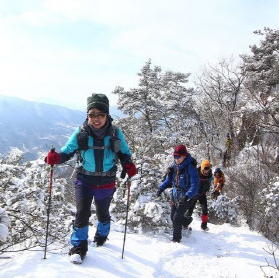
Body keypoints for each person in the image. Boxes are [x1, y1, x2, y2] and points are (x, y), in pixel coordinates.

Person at [45, 93, 136, 262]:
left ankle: (101, 236)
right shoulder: (81, 133)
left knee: (102, 213)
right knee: (82, 213)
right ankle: (79, 247)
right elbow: (66, 151)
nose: (96, 119)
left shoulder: (115, 133)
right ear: (87, 115)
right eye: (92, 115)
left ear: (107, 115)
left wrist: (128, 164)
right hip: (84, 179)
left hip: (107, 181)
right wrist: (56, 158)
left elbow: (124, 153)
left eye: (100, 115)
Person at [156, 144, 199, 243]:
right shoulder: (173, 167)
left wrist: (187, 195)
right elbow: (168, 181)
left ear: (184, 156)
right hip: (175, 195)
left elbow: (195, 185)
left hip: (186, 196)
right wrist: (160, 188)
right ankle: (187, 221)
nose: (176, 159)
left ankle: (176, 239)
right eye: (174, 156)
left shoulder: (190, 167)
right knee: (173, 217)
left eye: (178, 157)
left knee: (176, 218)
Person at [186, 159, 213, 231]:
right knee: (190, 210)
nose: (206, 171)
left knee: (205, 210)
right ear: (202, 168)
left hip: (202, 194)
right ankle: (185, 224)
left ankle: (204, 226)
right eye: (205, 169)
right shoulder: (196, 173)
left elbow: (209, 182)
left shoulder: (210, 175)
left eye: (208, 169)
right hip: (194, 194)